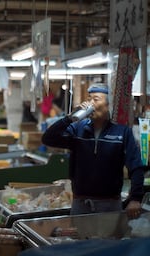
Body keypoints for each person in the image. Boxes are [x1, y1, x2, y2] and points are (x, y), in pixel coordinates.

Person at [41, 83, 145, 219]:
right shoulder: (77, 129)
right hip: (80, 204)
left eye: (95, 99)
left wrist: (135, 198)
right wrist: (69, 118)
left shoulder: (122, 132)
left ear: (108, 105)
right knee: (80, 240)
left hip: (110, 205)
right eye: (89, 99)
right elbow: (48, 138)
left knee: (110, 240)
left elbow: (136, 166)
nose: (90, 103)